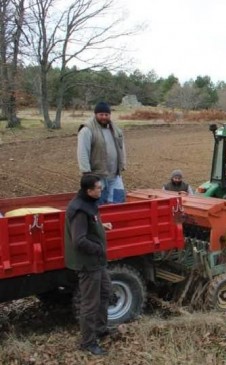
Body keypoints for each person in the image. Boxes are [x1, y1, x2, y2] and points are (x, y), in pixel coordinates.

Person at [64, 174, 112, 356]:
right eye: (98, 188)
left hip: (97, 262)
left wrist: (101, 226)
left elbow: (91, 224)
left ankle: (101, 328)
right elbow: (79, 241)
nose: (102, 190)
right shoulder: (79, 210)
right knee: (90, 303)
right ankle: (88, 342)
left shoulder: (89, 203)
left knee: (106, 291)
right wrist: (99, 248)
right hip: (88, 264)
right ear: (88, 190)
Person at [77, 101, 126, 204]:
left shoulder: (115, 129)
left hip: (114, 175)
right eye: (101, 114)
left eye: (106, 114)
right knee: (98, 206)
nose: (104, 117)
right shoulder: (87, 130)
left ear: (110, 115)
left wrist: (122, 164)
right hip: (97, 176)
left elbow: (122, 148)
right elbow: (82, 152)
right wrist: (86, 173)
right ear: (95, 114)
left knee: (118, 203)